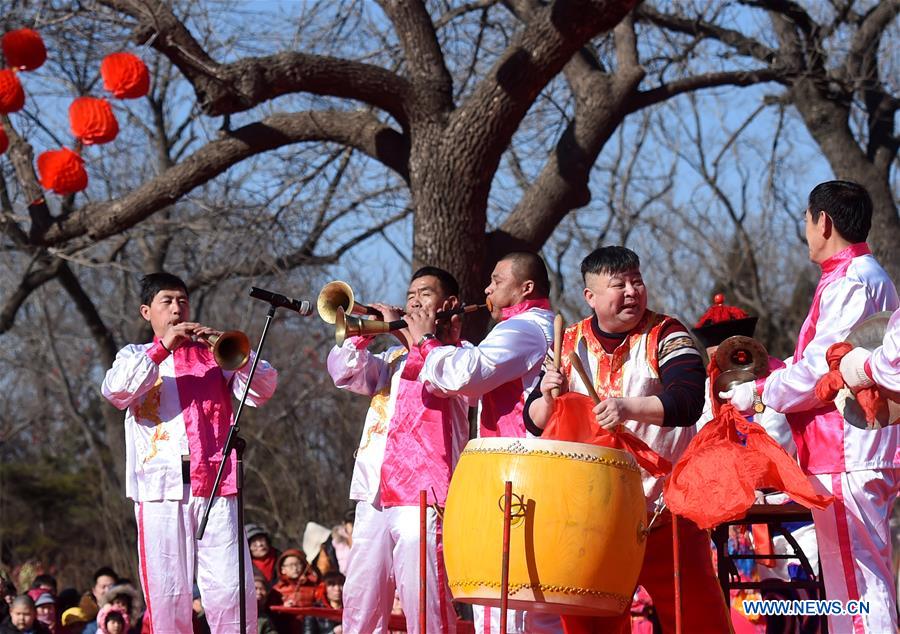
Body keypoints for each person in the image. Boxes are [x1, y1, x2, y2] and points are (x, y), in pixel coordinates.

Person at [721, 180, 900, 633]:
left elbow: (822, 364)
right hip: (845, 450)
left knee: (858, 585)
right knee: (853, 581)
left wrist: (761, 392)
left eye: (806, 220)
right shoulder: (852, 276)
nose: (804, 231)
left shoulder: (855, 279)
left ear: (823, 222)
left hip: (847, 451)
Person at [525, 245, 731, 633]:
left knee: (698, 621)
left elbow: (688, 400)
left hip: (665, 509)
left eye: (637, 281)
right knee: (591, 626)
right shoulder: (568, 343)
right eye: (619, 284)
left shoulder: (666, 333)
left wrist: (626, 408)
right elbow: (534, 421)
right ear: (591, 297)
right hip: (592, 517)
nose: (632, 292)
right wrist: (547, 399)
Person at [101, 272, 278, 633]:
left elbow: (263, 389)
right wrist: (162, 347)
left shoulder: (214, 355)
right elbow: (116, 391)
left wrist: (235, 354)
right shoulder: (135, 355)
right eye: (167, 301)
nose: (177, 308)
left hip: (215, 484)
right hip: (159, 490)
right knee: (168, 595)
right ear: (146, 311)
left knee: (231, 590)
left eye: (182, 300)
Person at [407, 252, 558, 634]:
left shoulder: (522, 328)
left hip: (513, 476)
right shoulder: (540, 327)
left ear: (525, 288)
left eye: (496, 280)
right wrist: (453, 344)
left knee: (500, 596)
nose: (487, 289)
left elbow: (462, 378)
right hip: (535, 474)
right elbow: (477, 387)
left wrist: (426, 340)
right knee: (536, 603)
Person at [327, 266, 470, 633]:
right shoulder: (392, 358)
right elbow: (343, 373)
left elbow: (447, 384)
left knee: (424, 604)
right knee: (360, 601)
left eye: (424, 293)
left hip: (424, 497)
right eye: (409, 297)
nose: (413, 302)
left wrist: (418, 338)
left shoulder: (459, 356)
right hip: (374, 492)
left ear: (449, 304)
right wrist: (362, 334)